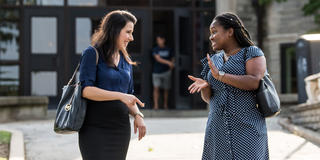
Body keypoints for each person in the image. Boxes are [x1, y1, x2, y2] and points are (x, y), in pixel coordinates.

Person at [188, 12, 269, 159]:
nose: (211, 37)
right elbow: (209, 99)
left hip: (246, 128)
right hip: (217, 129)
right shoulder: (213, 60)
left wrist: (221, 76)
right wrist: (205, 87)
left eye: (214, 32)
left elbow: (254, 81)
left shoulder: (251, 53)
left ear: (230, 31)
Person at [79, 10, 146, 160]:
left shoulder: (126, 59)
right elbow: (86, 90)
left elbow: (129, 95)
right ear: (114, 30)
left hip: (120, 129)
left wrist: (137, 115)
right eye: (128, 32)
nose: (132, 37)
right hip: (93, 128)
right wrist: (120, 96)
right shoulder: (92, 53)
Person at [152, 35, 174, 110]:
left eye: (159, 40)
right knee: (156, 88)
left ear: (163, 40)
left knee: (166, 89)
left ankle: (165, 105)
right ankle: (156, 105)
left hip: (166, 72)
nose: (158, 42)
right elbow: (158, 59)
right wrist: (169, 63)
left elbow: (173, 58)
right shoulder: (155, 49)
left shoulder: (168, 49)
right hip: (156, 72)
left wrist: (171, 66)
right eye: (157, 40)